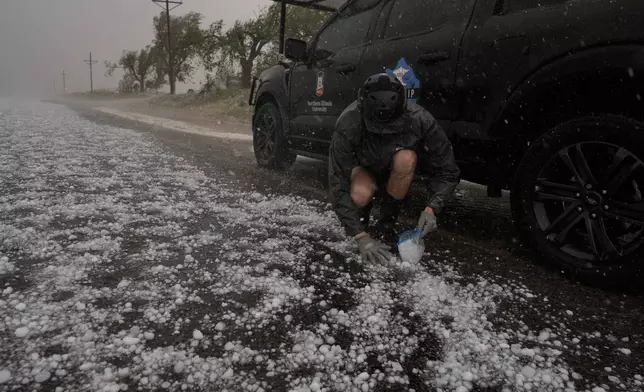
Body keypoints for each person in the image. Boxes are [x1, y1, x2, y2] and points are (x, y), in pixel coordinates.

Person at [328, 73, 460, 264]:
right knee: (359, 194)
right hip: (365, 171)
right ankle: (362, 223)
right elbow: (337, 181)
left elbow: (448, 170)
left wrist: (432, 208)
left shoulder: (420, 119)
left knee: (406, 158)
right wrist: (359, 235)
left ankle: (385, 226)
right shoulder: (348, 122)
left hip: (399, 174)